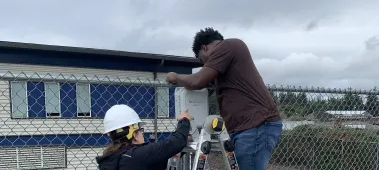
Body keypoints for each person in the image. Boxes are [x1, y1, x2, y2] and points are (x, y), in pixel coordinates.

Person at [167, 27, 282, 170]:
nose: (204, 64)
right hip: (250, 127)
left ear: (205, 48)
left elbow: (197, 81)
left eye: (201, 59)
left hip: (256, 126)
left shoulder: (229, 46)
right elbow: (201, 82)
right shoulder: (224, 66)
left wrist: (175, 76)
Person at [96, 104, 193, 170]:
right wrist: (184, 120)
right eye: (141, 132)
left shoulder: (111, 157)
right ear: (135, 135)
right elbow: (175, 142)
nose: (143, 135)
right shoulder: (136, 155)